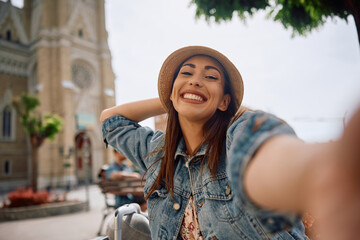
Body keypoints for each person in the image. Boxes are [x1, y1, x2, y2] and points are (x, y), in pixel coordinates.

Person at [100, 46, 360, 239]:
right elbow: (110, 120)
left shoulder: (236, 136)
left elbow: (266, 155)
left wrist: (323, 171)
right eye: (187, 73)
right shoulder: (157, 151)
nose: (196, 79)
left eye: (210, 77)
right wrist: (175, 97)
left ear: (225, 102)